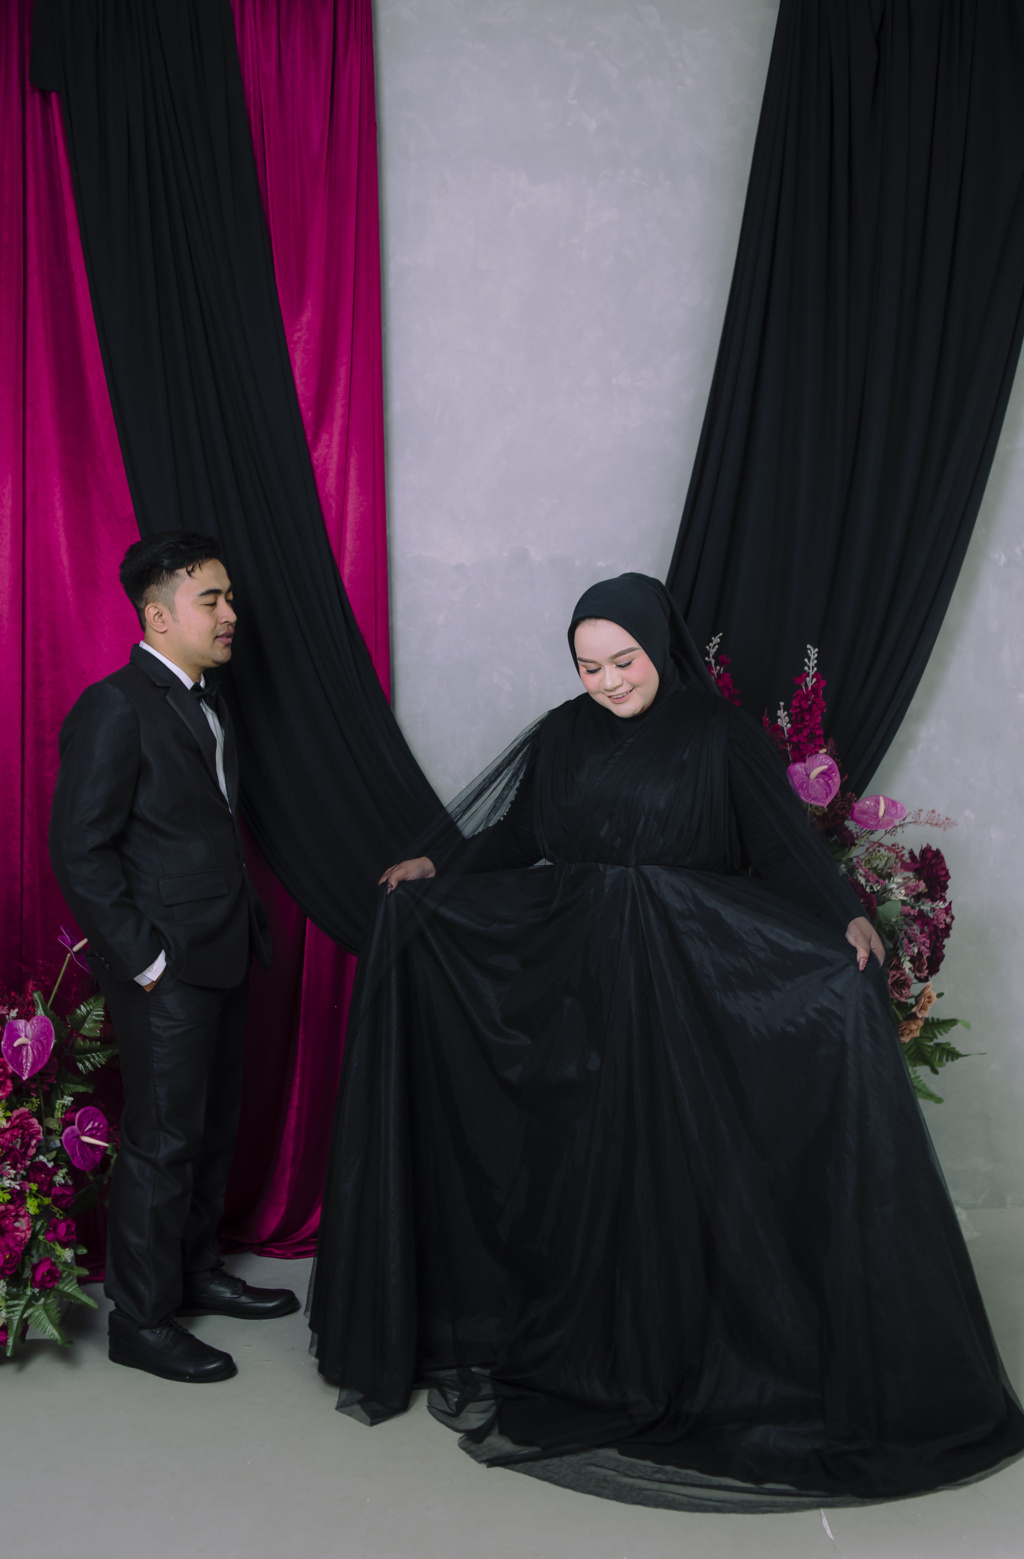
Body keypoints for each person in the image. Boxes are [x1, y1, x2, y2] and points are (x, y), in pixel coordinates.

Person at [308, 572, 1024, 1511]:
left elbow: (782, 845)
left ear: (659, 645)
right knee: (588, 1157)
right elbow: (519, 832)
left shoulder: (718, 735)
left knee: (678, 1163)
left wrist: (843, 913)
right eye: (589, 666)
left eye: (625, 660)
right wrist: (440, 863)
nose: (609, 680)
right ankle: (595, 1344)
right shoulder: (563, 734)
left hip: (689, 977)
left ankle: (689, 1348)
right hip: (578, 978)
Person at [50, 531, 298, 1384]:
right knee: (163, 1140)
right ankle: (142, 1319)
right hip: (165, 970)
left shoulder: (206, 699)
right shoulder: (115, 706)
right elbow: (80, 847)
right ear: (158, 616)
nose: (232, 614)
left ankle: (193, 1272)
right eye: (212, 600)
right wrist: (146, 962)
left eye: (230, 597)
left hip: (222, 951)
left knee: (211, 1126)